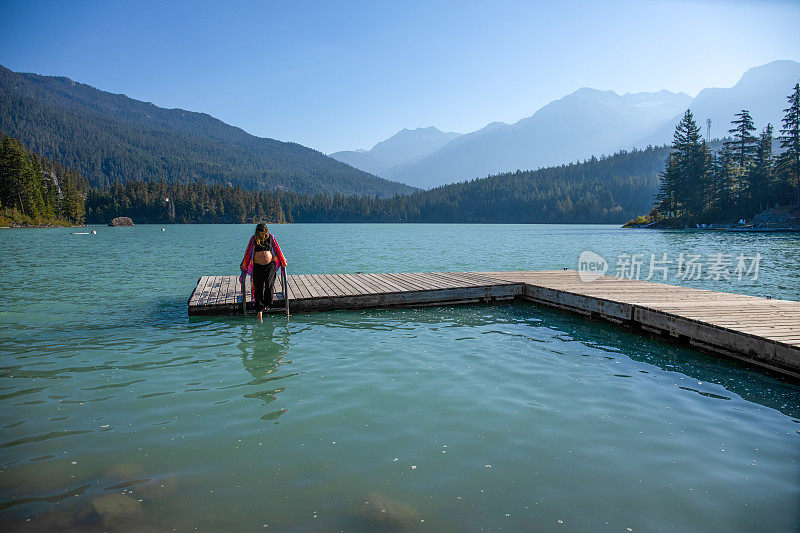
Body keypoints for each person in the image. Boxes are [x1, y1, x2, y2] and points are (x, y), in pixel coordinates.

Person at [240, 223, 287, 323]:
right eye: (260, 233)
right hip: (257, 266)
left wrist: (282, 260)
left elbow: (277, 250)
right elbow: (248, 252)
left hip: (270, 266)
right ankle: (259, 310)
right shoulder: (253, 239)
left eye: (263, 233)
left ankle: (267, 304)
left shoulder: (271, 237)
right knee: (258, 287)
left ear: (266, 231)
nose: (262, 235)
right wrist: (244, 264)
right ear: (257, 232)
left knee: (269, 285)